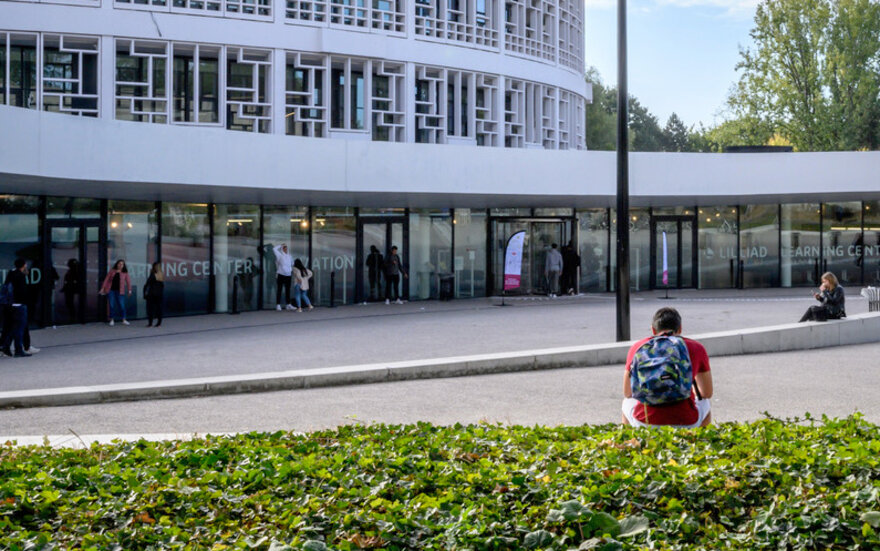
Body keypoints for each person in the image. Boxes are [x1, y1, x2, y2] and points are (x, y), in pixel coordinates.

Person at [622, 307, 713, 428]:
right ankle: (699, 441)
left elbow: (628, 392)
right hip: (686, 421)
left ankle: (633, 441)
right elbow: (706, 393)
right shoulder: (696, 348)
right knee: (705, 402)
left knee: (626, 402)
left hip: (645, 421)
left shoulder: (638, 347)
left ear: (653, 330)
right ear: (680, 329)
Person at [0, 258, 33, 357]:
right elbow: (22, 291)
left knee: (11, 327)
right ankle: (18, 349)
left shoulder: (11, 273)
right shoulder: (20, 276)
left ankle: (5, 347)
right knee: (19, 328)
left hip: (9, 305)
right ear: (23, 265)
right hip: (19, 305)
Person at [100, 259, 132, 326]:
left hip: (120, 291)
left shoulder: (125, 273)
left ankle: (124, 319)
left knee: (121, 305)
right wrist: (103, 288)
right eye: (119, 264)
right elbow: (106, 279)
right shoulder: (112, 271)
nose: (120, 265)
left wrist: (129, 290)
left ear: (123, 265)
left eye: (122, 264)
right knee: (111, 305)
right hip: (111, 290)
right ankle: (112, 319)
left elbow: (128, 282)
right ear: (117, 264)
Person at [273, 244, 294, 311]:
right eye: (284, 248)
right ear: (282, 249)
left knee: (288, 290)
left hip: (288, 275)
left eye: (286, 248)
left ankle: (288, 304)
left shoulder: (289, 256)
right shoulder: (279, 255)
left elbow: (292, 263)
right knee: (279, 289)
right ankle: (278, 305)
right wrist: (280, 245)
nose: (285, 249)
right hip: (281, 274)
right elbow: (274, 249)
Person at [143, 262, 165, 327]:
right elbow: (148, 284)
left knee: (157, 308)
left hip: (156, 294)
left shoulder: (158, 274)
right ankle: (152, 322)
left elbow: (160, 285)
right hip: (152, 294)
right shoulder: (153, 274)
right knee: (151, 309)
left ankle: (157, 322)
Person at [61, 258, 81, 323]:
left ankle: (73, 316)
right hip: (69, 289)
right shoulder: (72, 271)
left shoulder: (74, 272)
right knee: (69, 302)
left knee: (69, 302)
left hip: (70, 289)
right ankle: (73, 315)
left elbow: (69, 281)